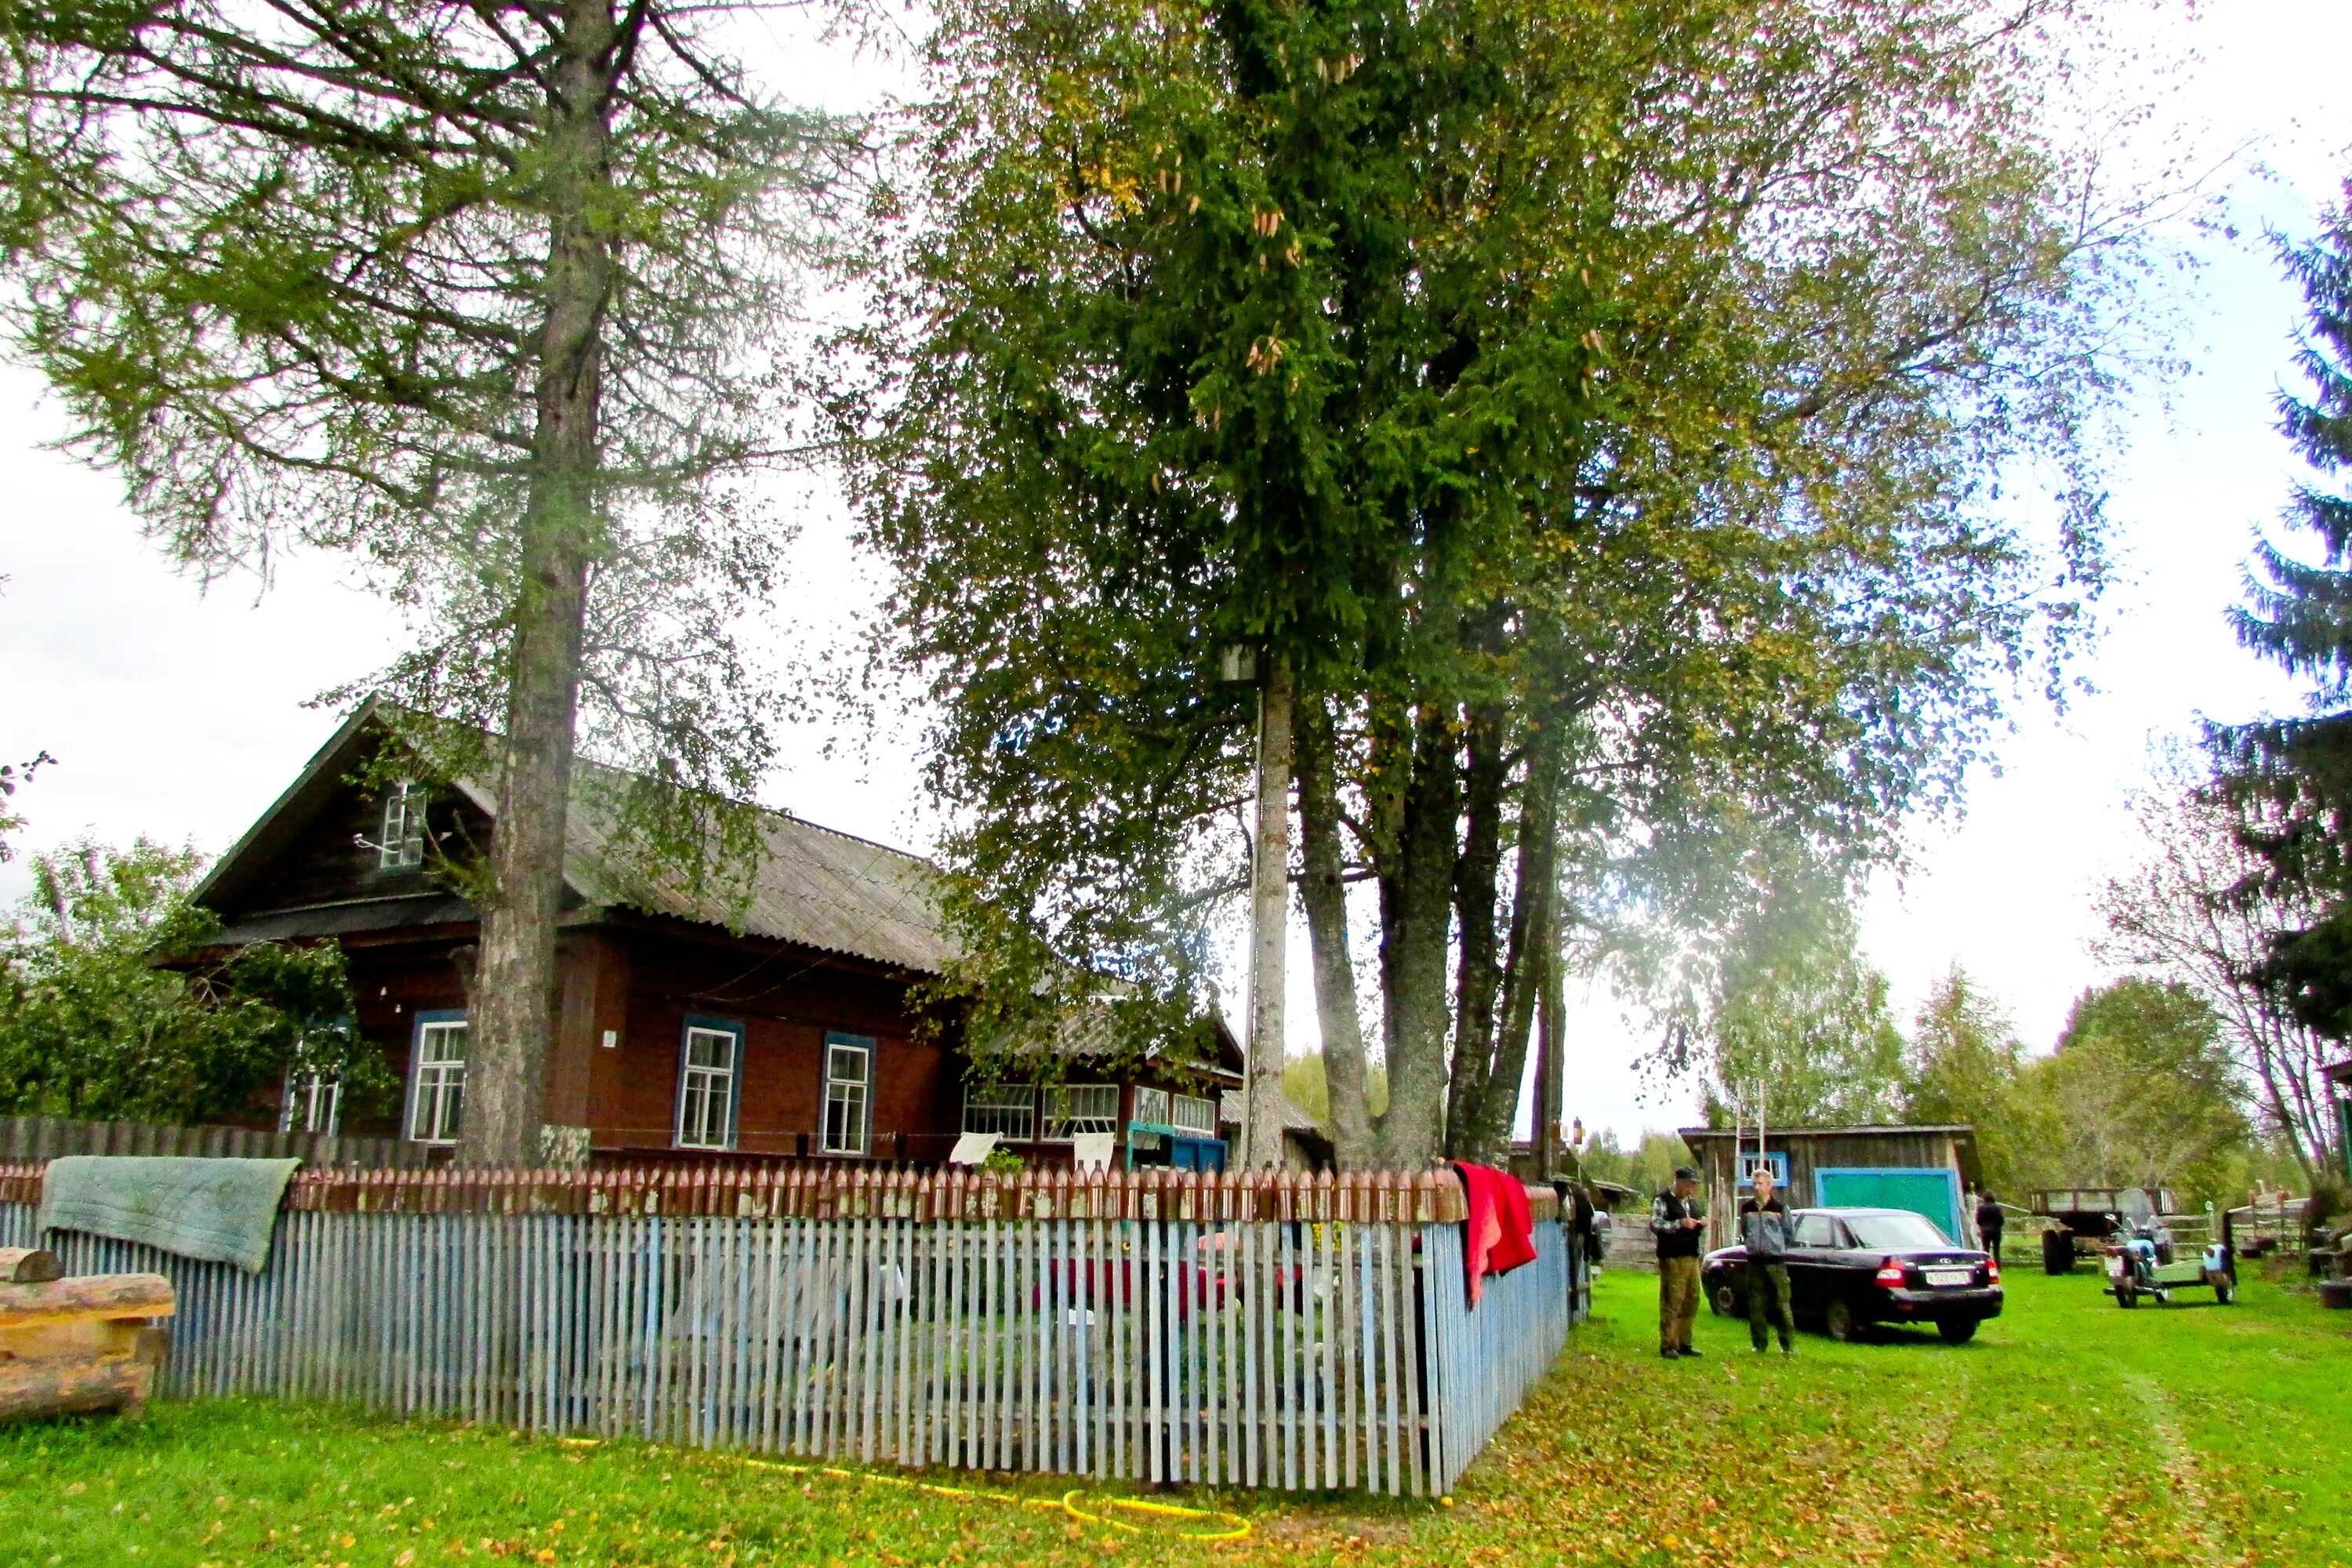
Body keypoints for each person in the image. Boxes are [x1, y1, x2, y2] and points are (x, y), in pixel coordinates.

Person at [1738, 1167, 1796, 1356]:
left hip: (1776, 1262)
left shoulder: (1779, 1208)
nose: (1756, 1187)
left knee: (1782, 1303)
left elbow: (1789, 1233)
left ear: (1769, 1186)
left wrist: (1776, 1247)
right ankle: (1759, 1344)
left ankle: (1787, 1346)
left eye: (1760, 1184)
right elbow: (1744, 1231)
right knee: (1755, 1304)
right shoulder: (1746, 1209)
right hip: (1754, 1262)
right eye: (1754, 1184)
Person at [1650, 1167, 1707, 1359]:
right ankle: (1668, 1344)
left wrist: (1701, 1224)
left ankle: (1684, 1342)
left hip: (1691, 1256)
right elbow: (1655, 1224)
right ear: (1678, 1182)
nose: (1691, 1189)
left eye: (1693, 1185)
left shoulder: (1692, 1203)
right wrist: (1678, 1224)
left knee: (1692, 1299)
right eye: (1688, 1184)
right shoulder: (1662, 1200)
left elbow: (1694, 1225)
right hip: (1672, 1257)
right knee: (1672, 1300)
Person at [1976, 1189, 2004, 1263]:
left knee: (1986, 1250)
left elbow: (1978, 1220)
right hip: (1996, 1231)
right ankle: (1997, 1267)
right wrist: (1997, 1226)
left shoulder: (1981, 1208)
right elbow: (2001, 1220)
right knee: (1996, 1251)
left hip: (1985, 1231)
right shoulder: (1997, 1207)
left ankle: (1986, 1266)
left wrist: (1982, 1226)